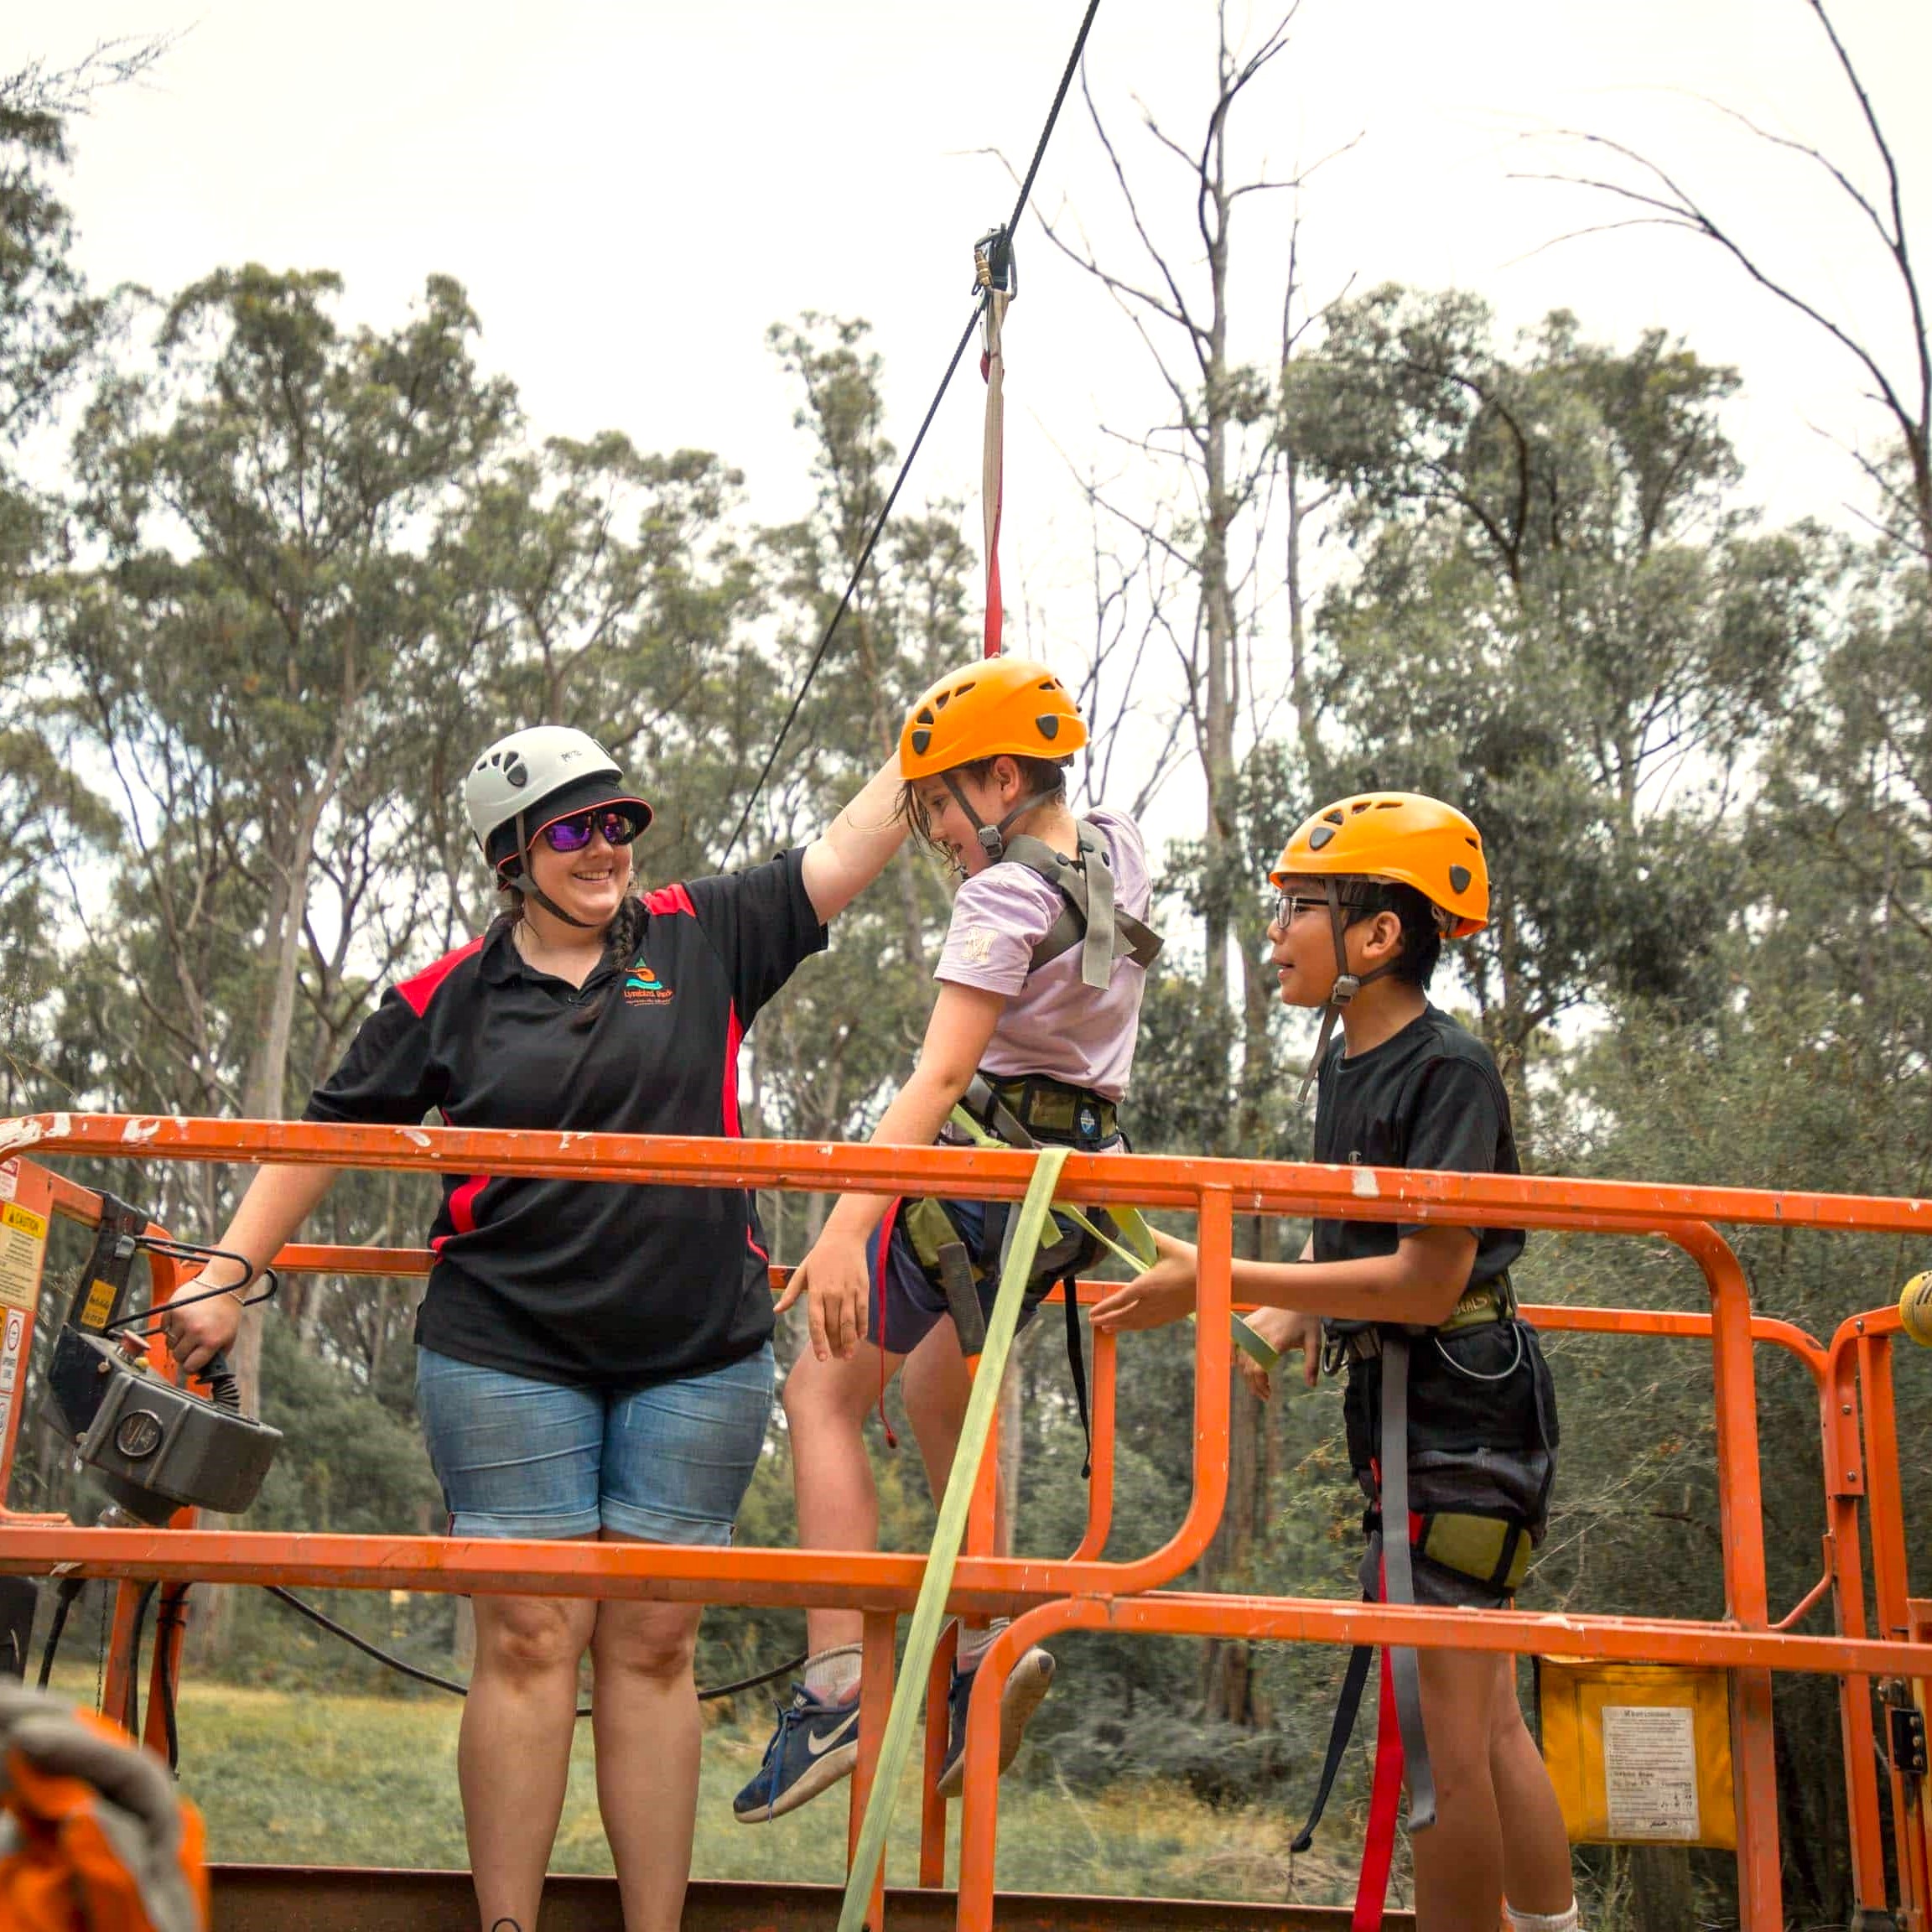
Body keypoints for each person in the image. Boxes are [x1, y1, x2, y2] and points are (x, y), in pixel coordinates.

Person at [160, 724, 910, 1932]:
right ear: (512, 856)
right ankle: (506, 1924)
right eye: (572, 828)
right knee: (527, 1634)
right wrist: (225, 1269)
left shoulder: (701, 934)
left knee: (657, 1643)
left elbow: (843, 853)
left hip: (698, 1359)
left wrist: (927, 737)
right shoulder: (441, 998)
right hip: (506, 1356)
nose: (604, 847)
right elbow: (326, 1137)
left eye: (619, 823)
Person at [1089, 792, 1580, 1932]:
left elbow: (1424, 1280)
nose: (1275, 936)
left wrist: (1218, 1276)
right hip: (1411, 1410)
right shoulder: (1347, 1063)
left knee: (1442, 1738)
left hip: (1464, 1406)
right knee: (1484, 1715)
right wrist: (1268, 1328)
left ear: (1377, 936)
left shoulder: (1448, 1069)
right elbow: (1342, 1242)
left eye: (1299, 910)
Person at [734, 656, 1160, 1825]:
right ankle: (979, 1645)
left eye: (940, 811)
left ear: (1004, 780)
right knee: (932, 1391)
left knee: (817, 1394)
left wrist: (843, 1227)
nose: (935, 838)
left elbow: (940, 1073)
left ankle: (832, 1689)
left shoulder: (1003, 899)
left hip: (970, 1182)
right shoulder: (1120, 847)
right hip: (1065, 1194)